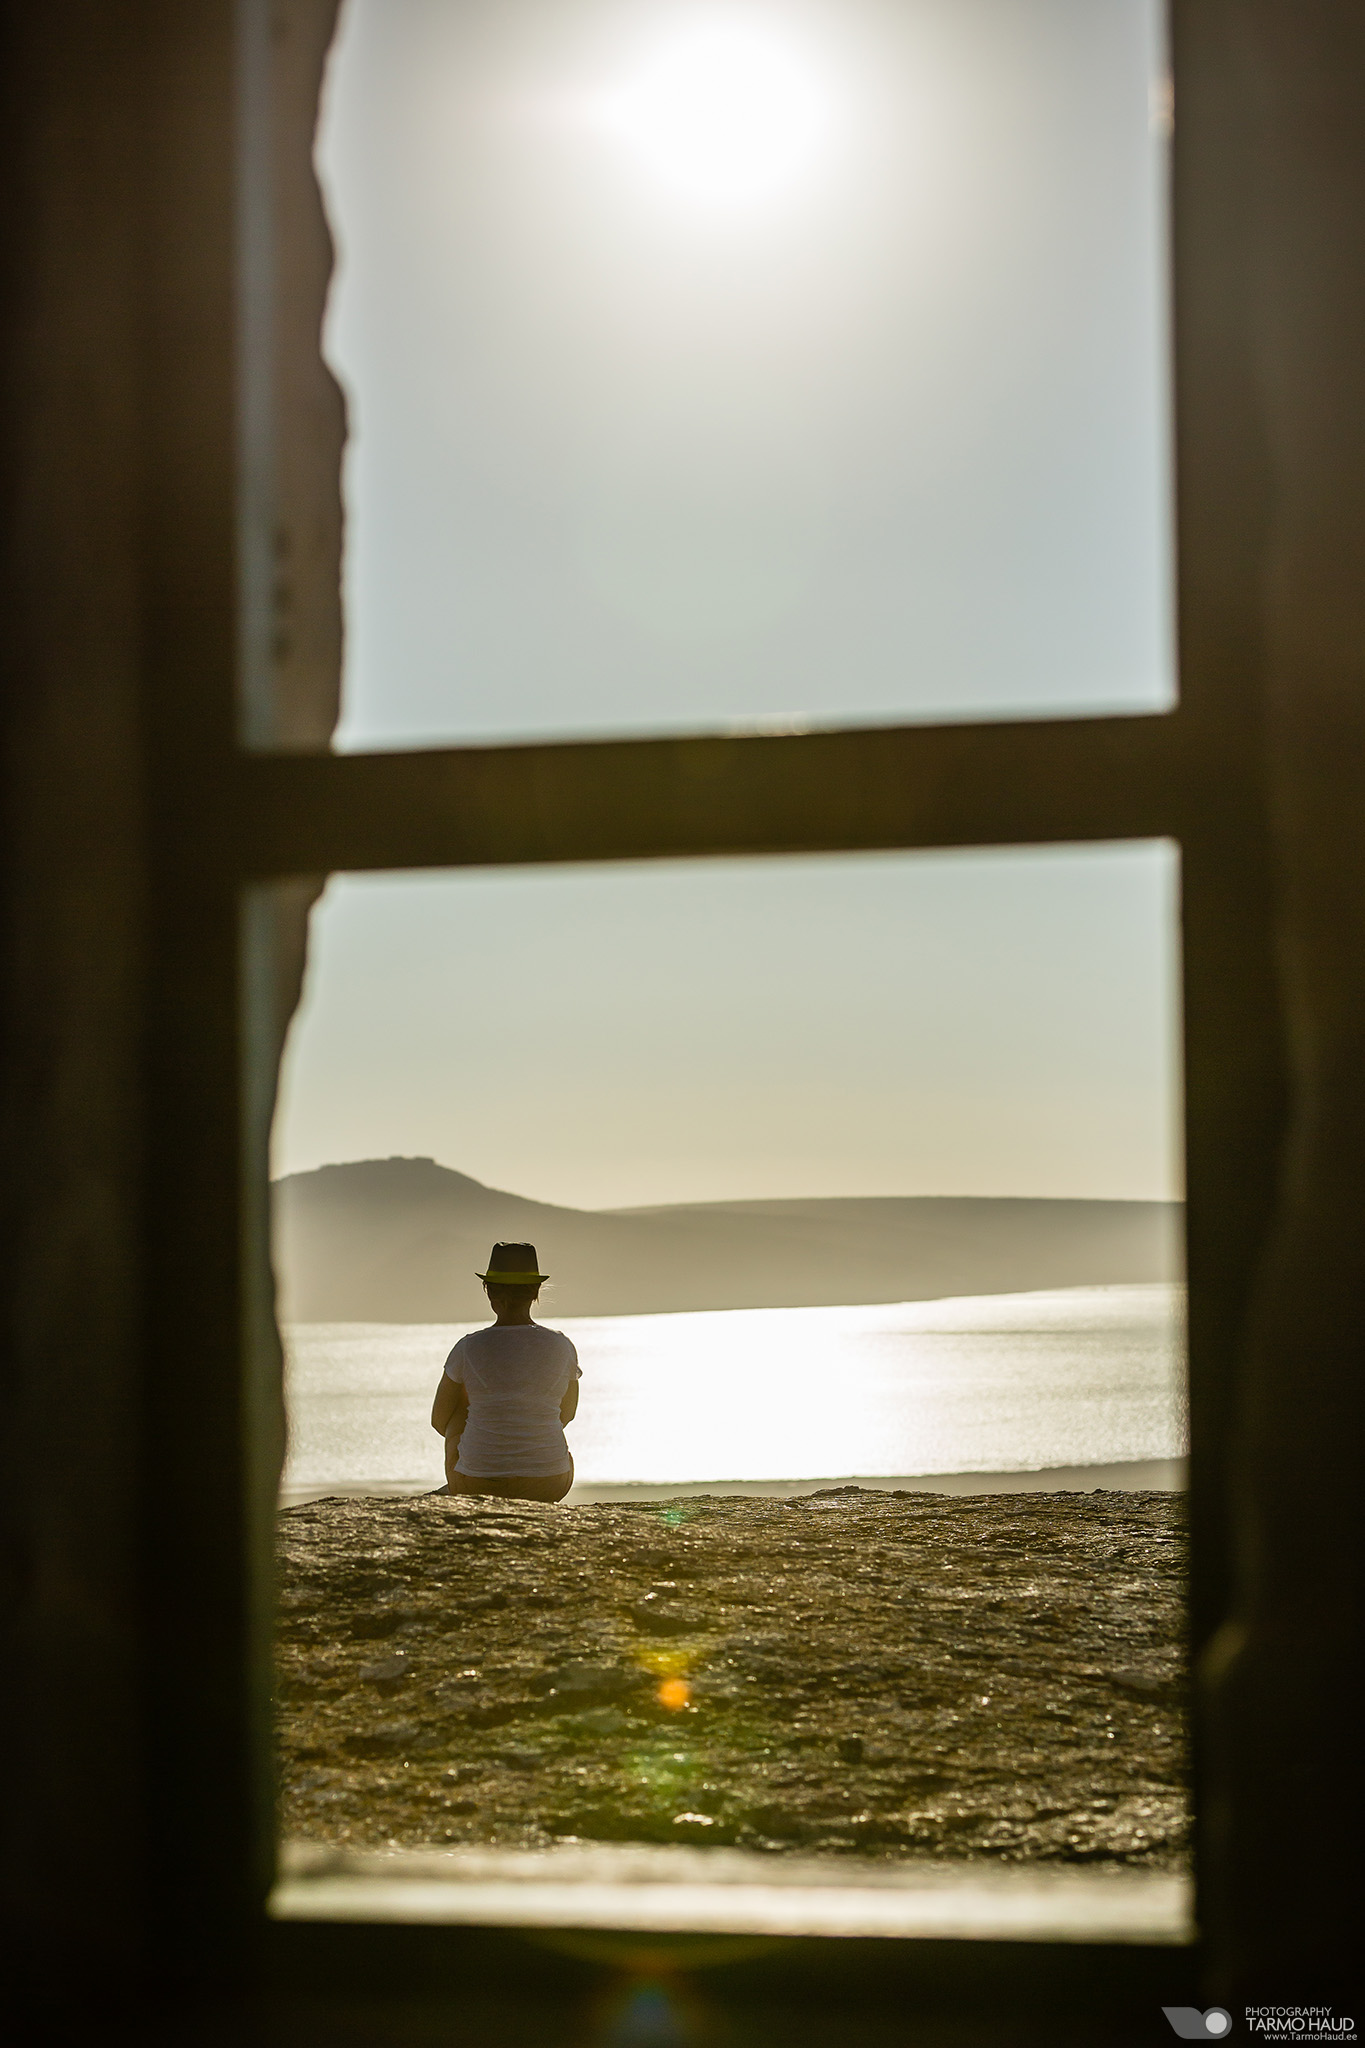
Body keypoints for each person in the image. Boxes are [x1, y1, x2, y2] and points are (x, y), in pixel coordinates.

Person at [431, 1242, 579, 1503]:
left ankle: (471, 1475)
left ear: (489, 1293)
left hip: (476, 1484)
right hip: (549, 1483)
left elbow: (439, 1419)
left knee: (459, 1409)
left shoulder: (468, 1347)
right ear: (536, 1292)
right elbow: (567, 1414)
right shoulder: (561, 1345)